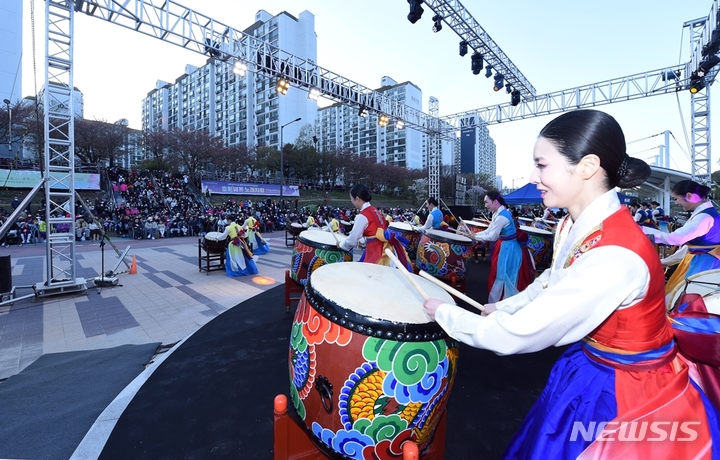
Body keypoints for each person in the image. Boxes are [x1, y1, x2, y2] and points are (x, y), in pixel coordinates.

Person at [423, 109, 720, 458]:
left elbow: (518, 334)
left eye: (542, 164)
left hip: (626, 390)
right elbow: (553, 279)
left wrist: (446, 313)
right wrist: (503, 306)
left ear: (587, 166)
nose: (533, 176)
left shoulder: (616, 255)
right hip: (592, 362)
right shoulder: (573, 225)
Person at [642, 179, 720, 297]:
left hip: (705, 264)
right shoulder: (706, 213)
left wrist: (642, 230)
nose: (676, 203)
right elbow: (690, 246)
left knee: (685, 301)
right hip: (705, 261)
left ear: (689, 196)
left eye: (675, 198)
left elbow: (676, 239)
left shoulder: (704, 217)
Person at [473, 191, 535, 302]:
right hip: (505, 245)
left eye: (486, 202)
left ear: (495, 201)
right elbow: (489, 231)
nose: (485, 205)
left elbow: (492, 236)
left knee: (505, 276)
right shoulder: (497, 213)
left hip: (509, 249)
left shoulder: (502, 217)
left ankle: (503, 303)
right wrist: (475, 235)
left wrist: (475, 237)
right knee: (502, 275)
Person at [339, 184, 412, 270]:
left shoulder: (362, 216)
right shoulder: (375, 210)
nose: (351, 201)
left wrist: (341, 245)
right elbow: (374, 232)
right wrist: (364, 242)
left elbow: (352, 239)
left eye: (351, 198)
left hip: (376, 251)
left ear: (357, 198)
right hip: (386, 248)